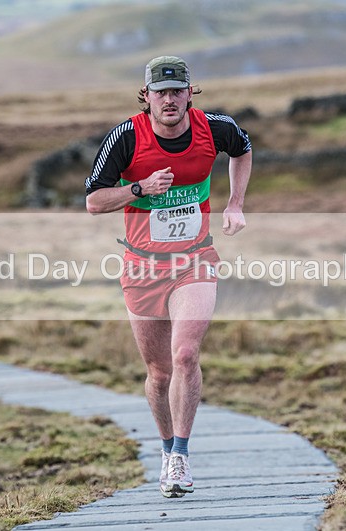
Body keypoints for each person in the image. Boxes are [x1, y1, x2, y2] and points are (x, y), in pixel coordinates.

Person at [85, 56, 252, 498]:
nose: (170, 99)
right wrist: (139, 189)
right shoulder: (125, 137)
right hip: (141, 266)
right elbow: (94, 201)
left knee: (184, 355)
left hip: (194, 260)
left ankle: (180, 455)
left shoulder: (215, 127)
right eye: (161, 92)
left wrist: (235, 203)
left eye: (178, 90)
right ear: (147, 97)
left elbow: (243, 149)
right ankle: (164, 449)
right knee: (159, 372)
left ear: (190, 92)